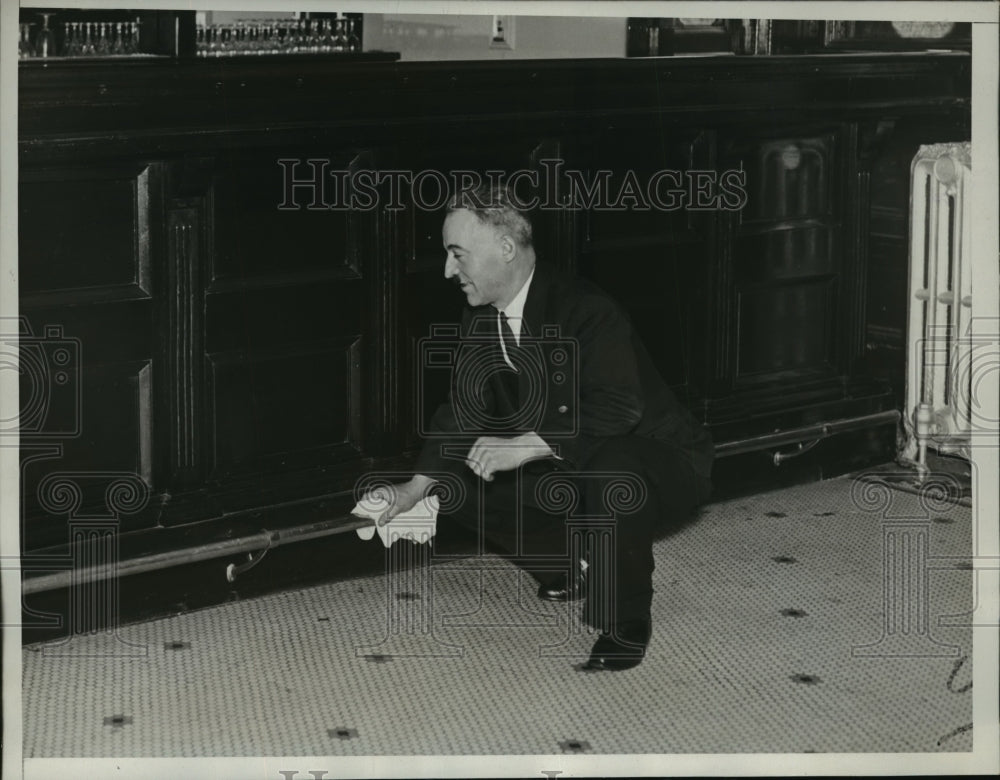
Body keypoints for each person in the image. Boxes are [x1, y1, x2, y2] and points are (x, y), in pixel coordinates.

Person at [366, 182, 713, 671]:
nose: (448, 270)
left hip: (659, 460)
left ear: (505, 248)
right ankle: (569, 566)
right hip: (575, 458)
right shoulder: (480, 316)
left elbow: (619, 412)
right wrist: (415, 487)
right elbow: (462, 409)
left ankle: (626, 620)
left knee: (614, 469)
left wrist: (525, 444)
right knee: (455, 484)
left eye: (457, 254)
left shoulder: (585, 307)